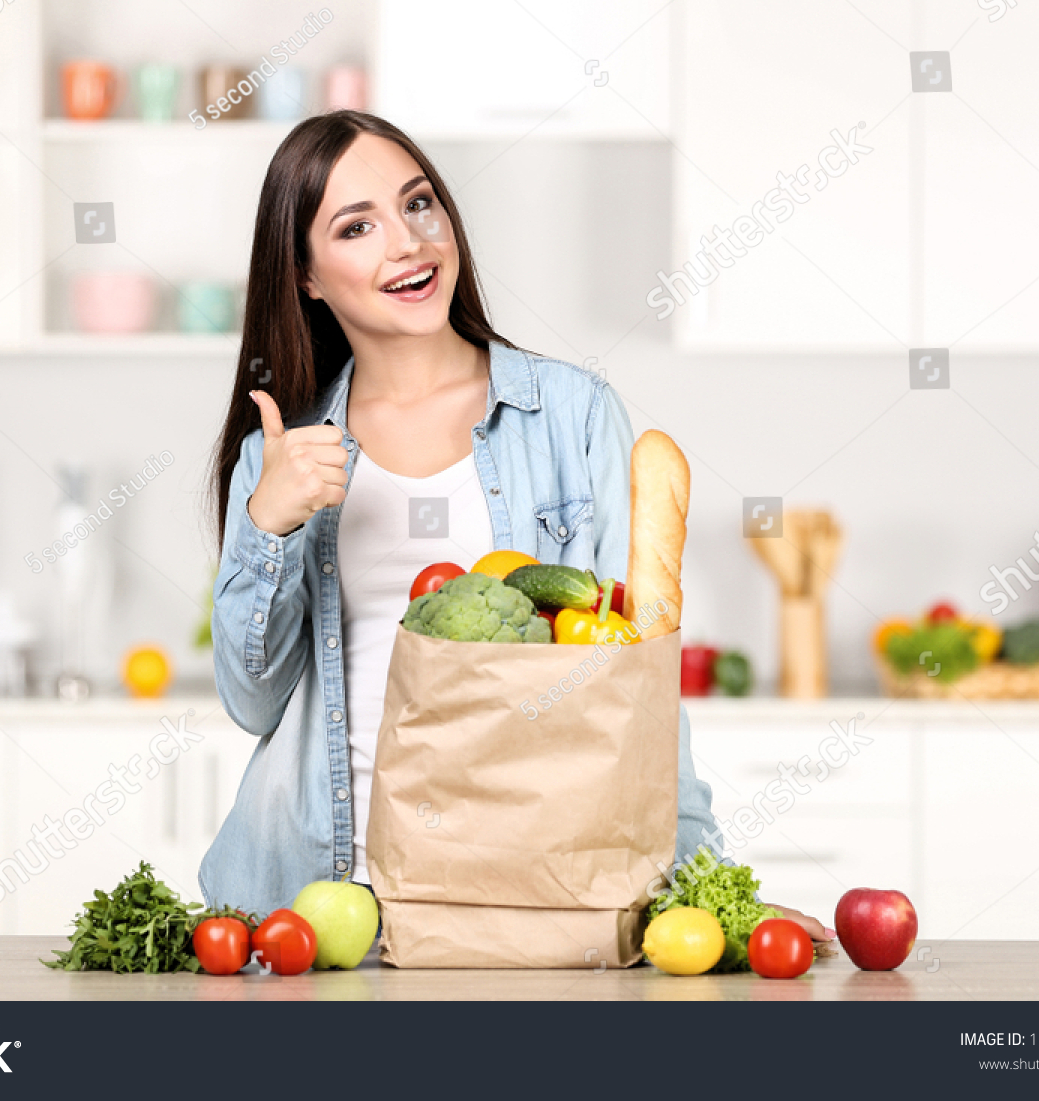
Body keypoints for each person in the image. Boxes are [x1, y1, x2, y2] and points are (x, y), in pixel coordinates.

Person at [201, 110, 830, 945]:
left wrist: (704, 889)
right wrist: (269, 521)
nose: (408, 242)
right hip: (318, 902)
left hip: (519, 894)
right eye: (358, 226)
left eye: (418, 204)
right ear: (307, 276)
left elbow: (637, 685)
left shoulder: (569, 416)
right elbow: (252, 701)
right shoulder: (286, 450)